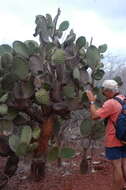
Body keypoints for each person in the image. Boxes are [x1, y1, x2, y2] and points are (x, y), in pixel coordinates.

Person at [86, 79, 126, 190]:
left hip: (114, 140)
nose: (103, 93)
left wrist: (92, 102)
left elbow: (95, 116)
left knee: (117, 166)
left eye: (104, 91)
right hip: (125, 138)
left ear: (108, 91)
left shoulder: (111, 103)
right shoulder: (124, 98)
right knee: (124, 164)